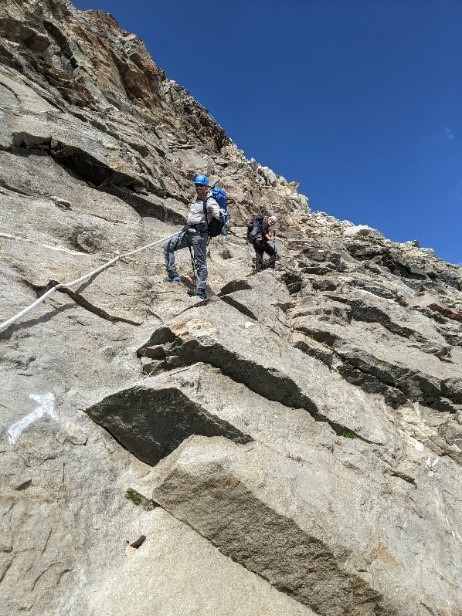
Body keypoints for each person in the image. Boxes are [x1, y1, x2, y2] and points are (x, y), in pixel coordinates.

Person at [164, 174, 220, 300]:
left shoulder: (210, 201)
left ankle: (200, 290)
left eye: (200, 185)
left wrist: (220, 215)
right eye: (196, 185)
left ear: (206, 187)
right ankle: (173, 274)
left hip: (199, 236)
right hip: (187, 232)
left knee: (200, 262)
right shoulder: (196, 199)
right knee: (168, 246)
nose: (198, 187)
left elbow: (217, 213)